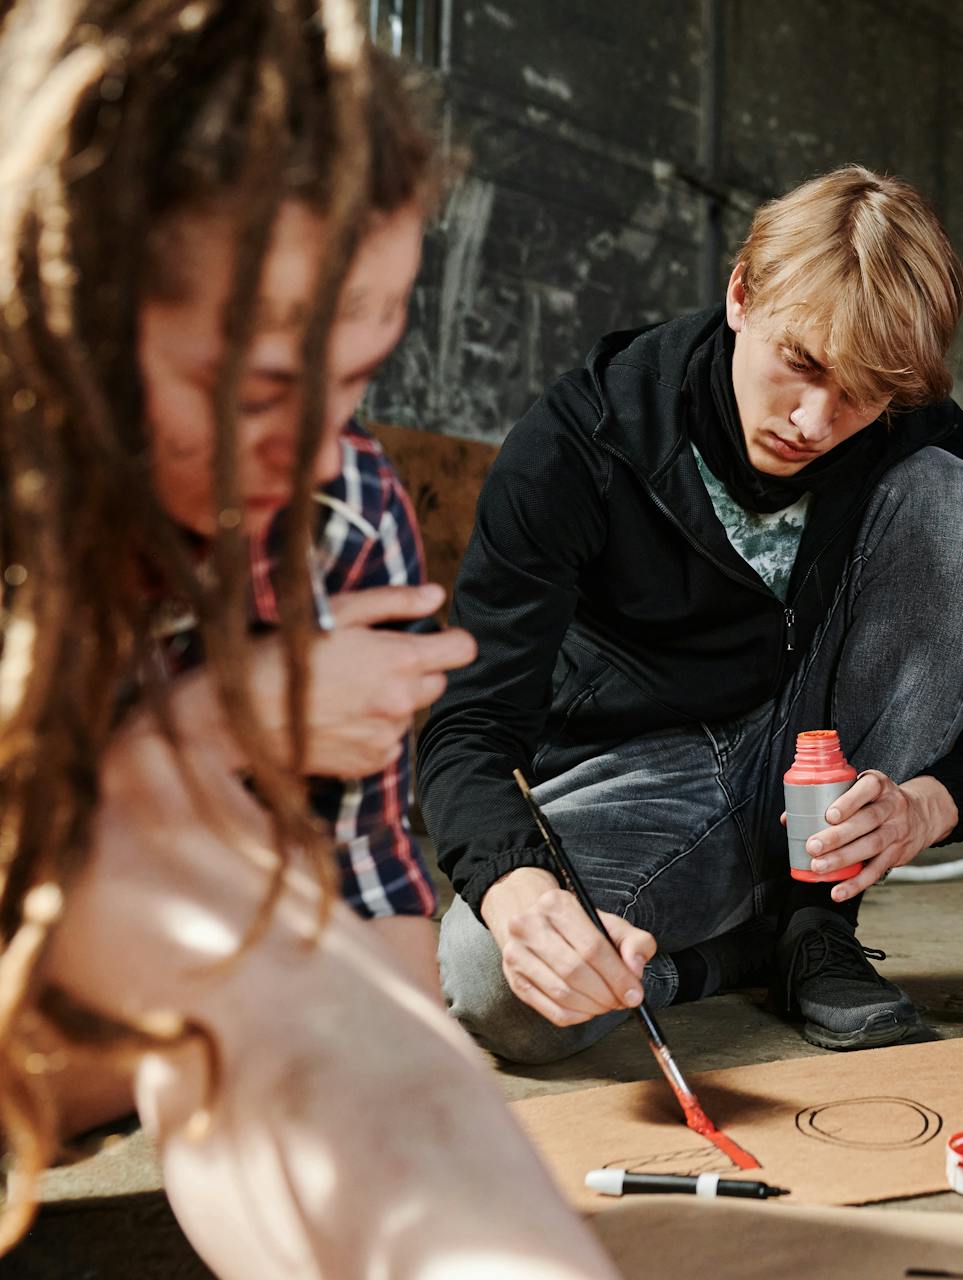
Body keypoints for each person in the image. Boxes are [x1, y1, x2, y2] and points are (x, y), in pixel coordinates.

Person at [0, 4, 617, 1274]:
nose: (328, 449)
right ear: (64, 316)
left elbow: (363, 958)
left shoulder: (341, 516)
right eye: (264, 388)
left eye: (361, 368)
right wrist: (217, 724)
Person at [422, 166, 963, 1061]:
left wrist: (921, 809)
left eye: (863, 394)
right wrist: (521, 889)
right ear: (741, 295)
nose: (814, 419)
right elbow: (470, 725)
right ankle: (738, 955)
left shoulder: (924, 440)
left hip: (827, 762)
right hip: (644, 772)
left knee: (955, 502)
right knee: (498, 984)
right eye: (801, 362)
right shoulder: (581, 439)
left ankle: (813, 923)